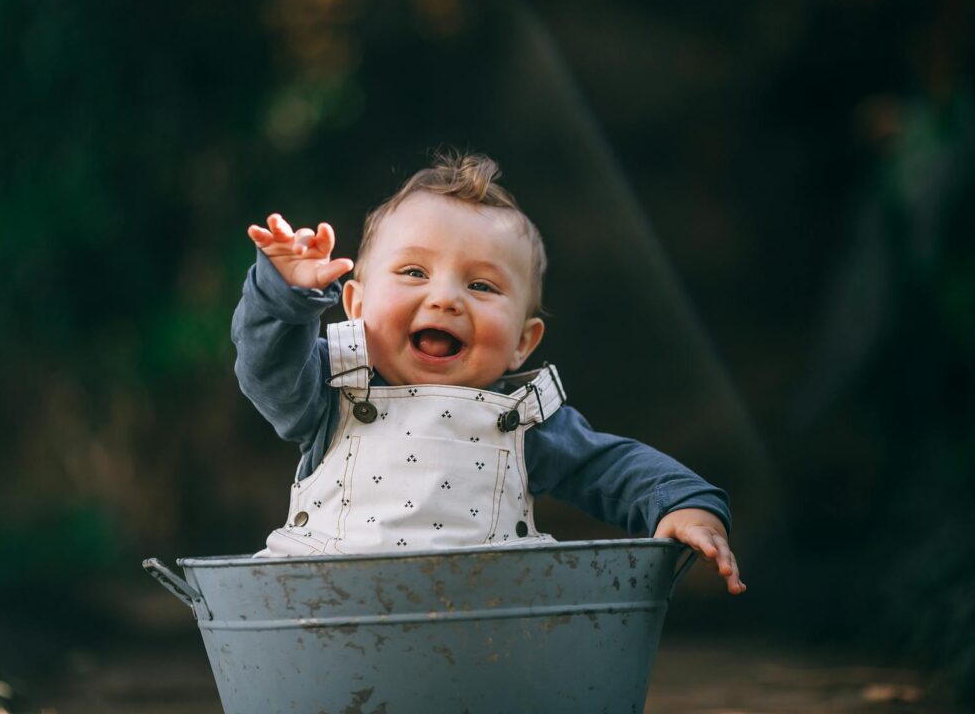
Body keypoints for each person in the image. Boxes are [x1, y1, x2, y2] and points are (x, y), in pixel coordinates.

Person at [233, 152, 745, 594]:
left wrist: (683, 503)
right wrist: (285, 298)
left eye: (482, 285)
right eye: (414, 272)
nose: (445, 298)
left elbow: (613, 466)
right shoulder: (328, 394)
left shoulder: (521, 422)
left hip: (481, 631)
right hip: (323, 624)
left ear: (523, 342)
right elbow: (266, 365)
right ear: (356, 305)